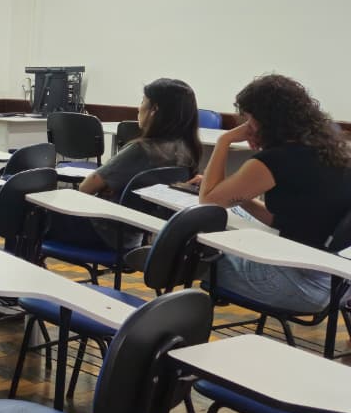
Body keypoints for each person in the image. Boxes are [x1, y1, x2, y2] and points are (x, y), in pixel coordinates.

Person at [200, 74, 351, 313]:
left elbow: (208, 201)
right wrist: (240, 197)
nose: (246, 126)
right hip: (337, 284)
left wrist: (224, 140)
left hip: (299, 285)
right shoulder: (330, 151)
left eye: (248, 119)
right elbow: (289, 220)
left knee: (194, 255)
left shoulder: (273, 160)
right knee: (232, 224)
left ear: (264, 120)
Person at [52, 77, 201, 250]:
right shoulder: (188, 151)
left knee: (29, 209)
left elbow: (86, 188)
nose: (139, 108)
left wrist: (108, 187)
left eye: (143, 101)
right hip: (133, 237)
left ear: (154, 109)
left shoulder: (141, 149)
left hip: (101, 232)